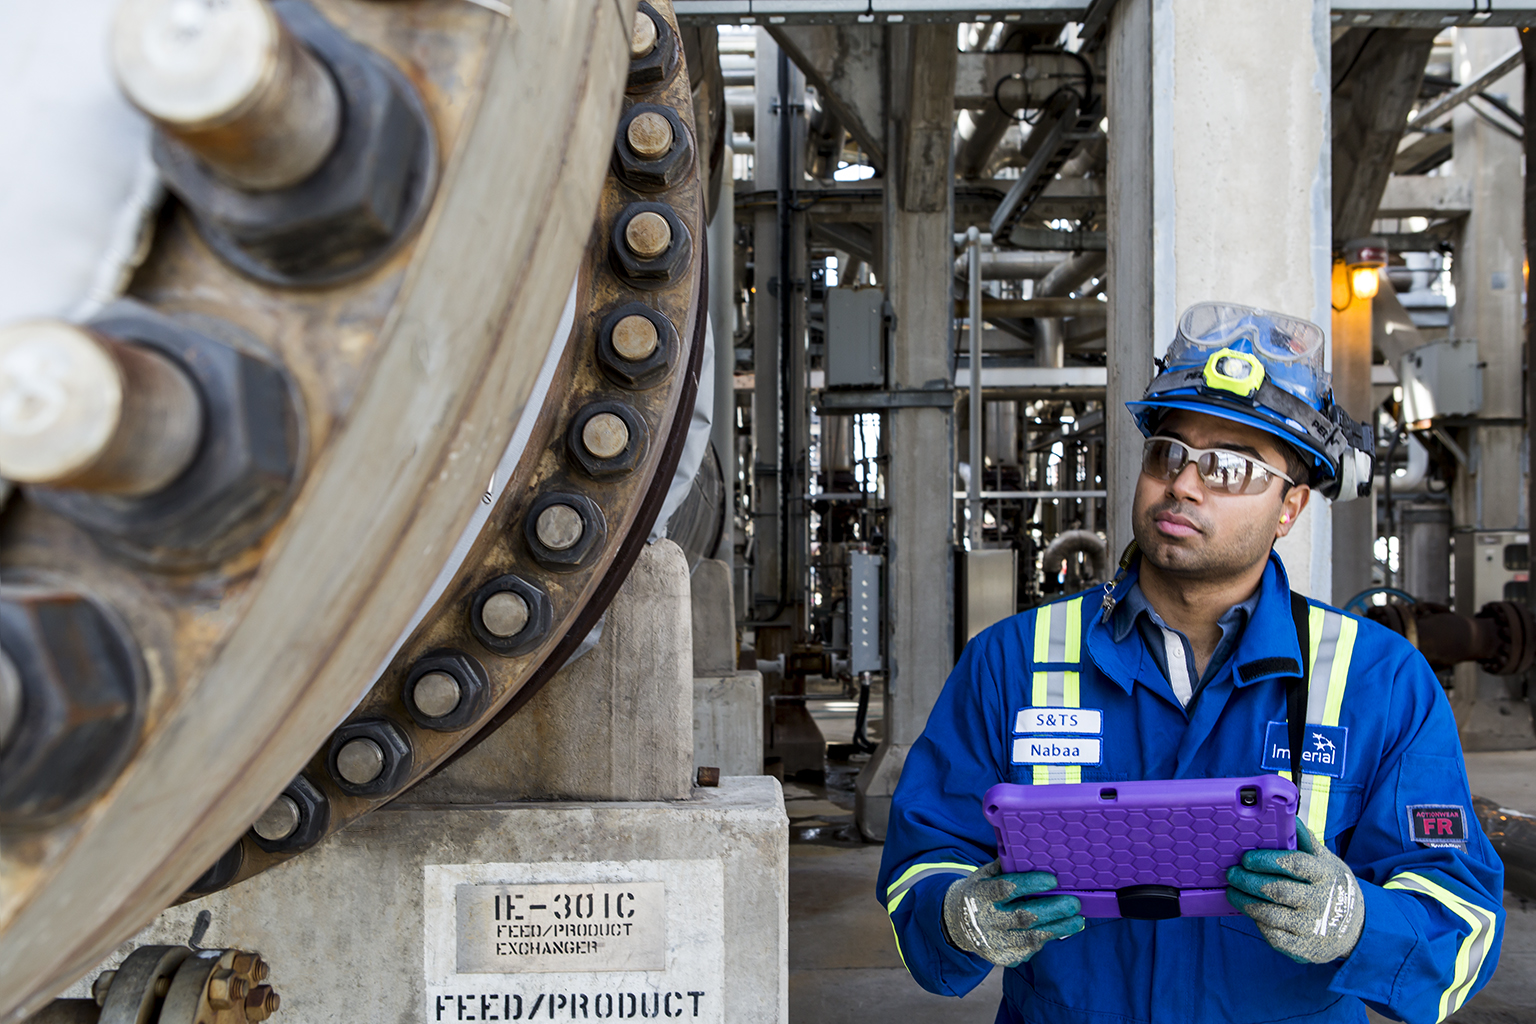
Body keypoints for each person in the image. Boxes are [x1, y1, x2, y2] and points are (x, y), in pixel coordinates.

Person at [878, 302, 1505, 1024]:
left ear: (1289, 508)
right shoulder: (1013, 662)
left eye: (1229, 468)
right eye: (1168, 453)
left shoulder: (1379, 683)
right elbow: (921, 859)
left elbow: (1462, 921)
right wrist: (958, 916)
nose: (1183, 484)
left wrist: (1356, 922)